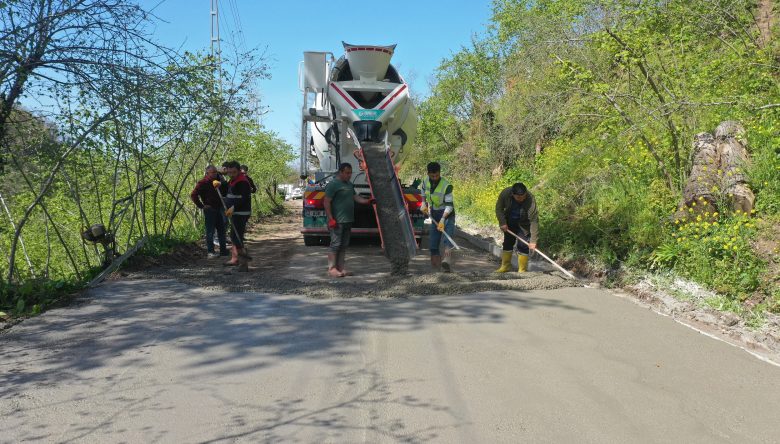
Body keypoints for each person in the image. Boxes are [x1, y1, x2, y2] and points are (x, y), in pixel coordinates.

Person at [323, 162, 374, 278]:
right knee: (335, 244)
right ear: (340, 172)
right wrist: (330, 218)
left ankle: (340, 268)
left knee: (344, 245)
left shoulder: (349, 185)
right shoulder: (333, 185)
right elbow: (326, 202)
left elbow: (355, 197)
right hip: (337, 221)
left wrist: (367, 201)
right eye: (347, 173)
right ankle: (332, 269)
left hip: (347, 220)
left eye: (350, 173)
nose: (349, 175)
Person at [495, 182, 538, 273]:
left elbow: (534, 220)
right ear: (513, 194)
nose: (521, 199)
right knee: (507, 243)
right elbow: (499, 209)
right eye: (518, 198)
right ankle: (505, 266)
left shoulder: (530, 199)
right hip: (509, 222)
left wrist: (533, 241)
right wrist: (502, 222)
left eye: (523, 197)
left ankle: (522, 270)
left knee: (523, 245)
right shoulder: (506, 193)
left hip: (524, 225)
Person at [420, 162, 455, 272]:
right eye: (432, 176)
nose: (435, 178)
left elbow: (450, 206)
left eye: (437, 175)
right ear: (428, 174)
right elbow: (423, 191)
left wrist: (443, 219)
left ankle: (447, 264)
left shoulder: (446, 185)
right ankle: (436, 271)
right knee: (433, 245)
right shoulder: (425, 181)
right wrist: (423, 203)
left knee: (447, 241)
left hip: (447, 214)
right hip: (434, 213)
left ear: (440, 173)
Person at [220, 161, 252, 268]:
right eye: (229, 172)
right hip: (235, 212)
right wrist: (220, 184)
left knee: (237, 237)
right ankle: (235, 259)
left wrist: (233, 208)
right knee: (234, 236)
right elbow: (227, 193)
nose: (231, 174)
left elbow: (244, 198)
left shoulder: (242, 182)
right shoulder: (233, 180)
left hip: (241, 212)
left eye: (233, 172)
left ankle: (243, 261)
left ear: (238, 171)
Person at [190, 165, 228, 258]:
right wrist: (201, 206)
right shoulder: (203, 182)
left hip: (219, 208)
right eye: (213, 172)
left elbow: (224, 191)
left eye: (216, 172)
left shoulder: (217, 181)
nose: (215, 174)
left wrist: (223, 183)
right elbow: (193, 195)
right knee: (210, 231)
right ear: (207, 173)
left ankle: (223, 251)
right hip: (210, 209)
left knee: (221, 230)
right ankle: (211, 252)